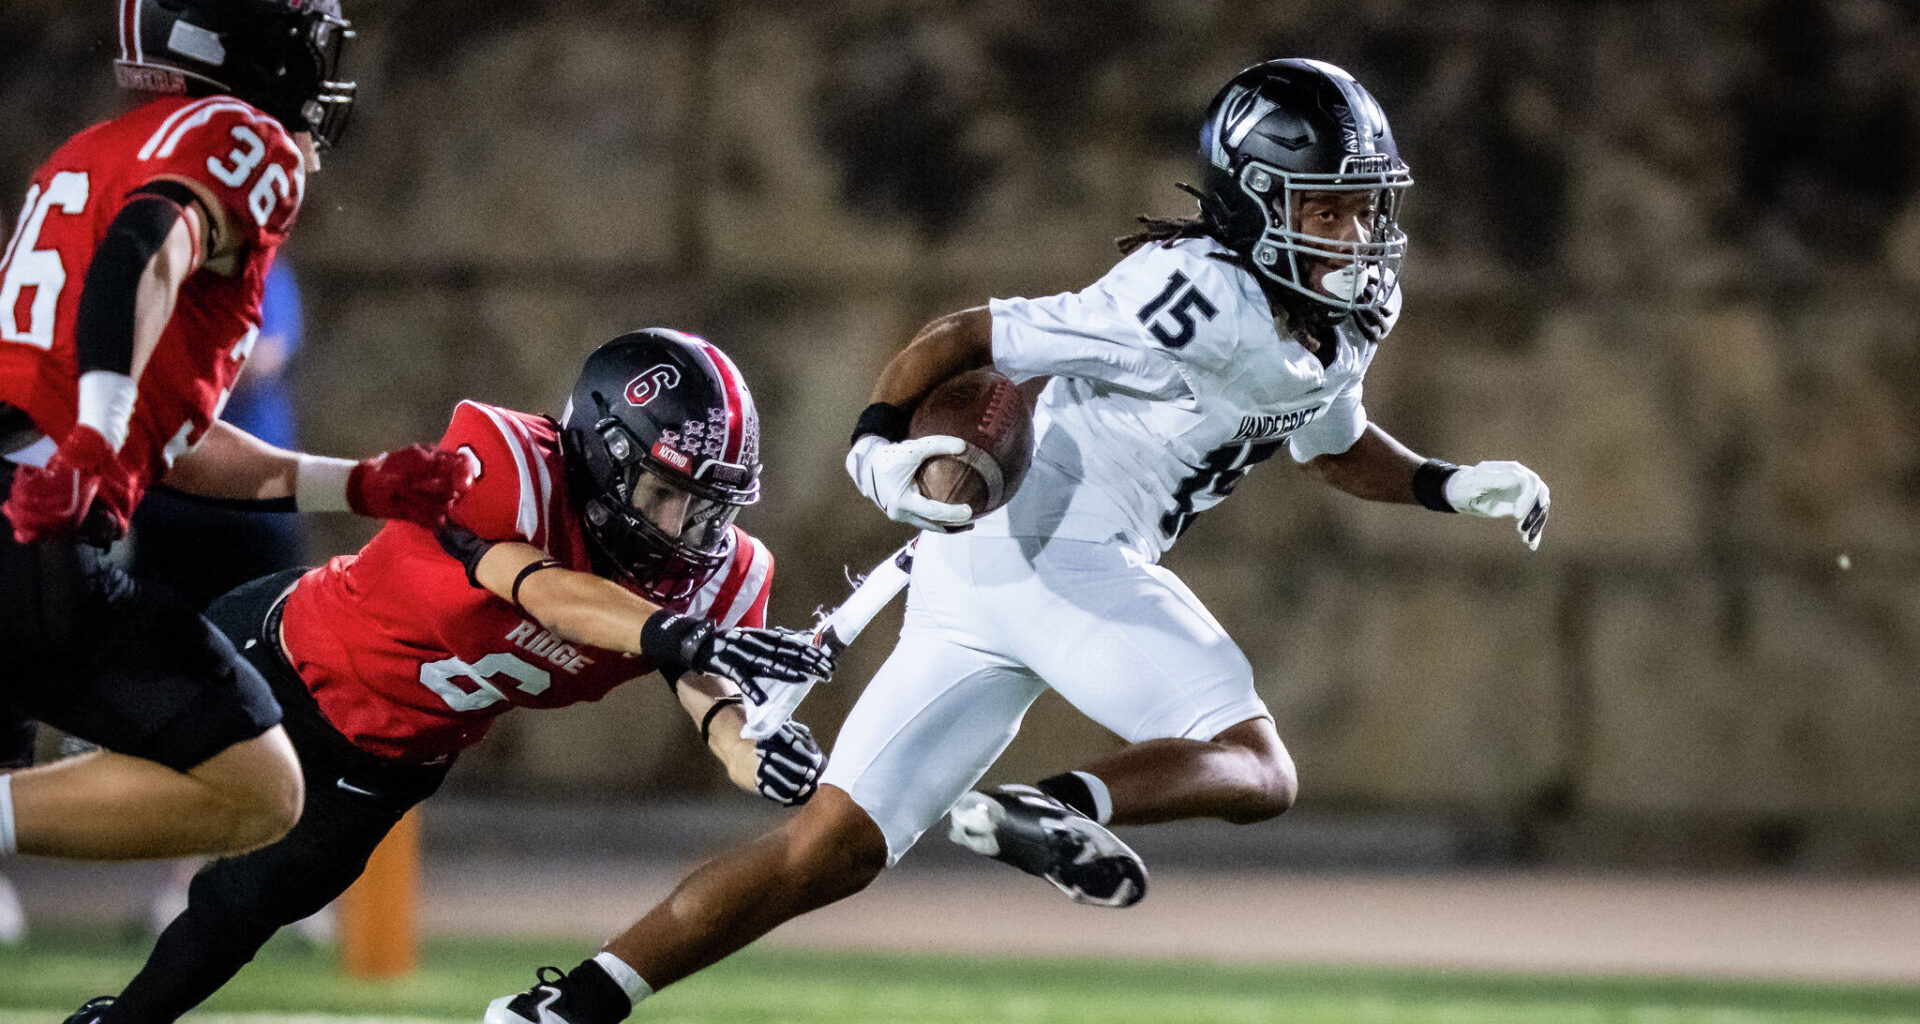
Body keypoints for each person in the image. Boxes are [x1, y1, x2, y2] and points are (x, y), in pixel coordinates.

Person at [486, 58, 1552, 1024]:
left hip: (987, 572)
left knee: (825, 851)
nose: (1358, 236)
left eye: (1364, 210)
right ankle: (1053, 806)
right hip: (1058, 547)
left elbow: (1332, 444)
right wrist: (875, 442)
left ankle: (563, 1008)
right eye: (1329, 209)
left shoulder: (1333, 312)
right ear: (1257, 203)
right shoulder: (1192, 297)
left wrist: (1451, 486)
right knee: (1257, 765)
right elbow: (971, 339)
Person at [61, 329, 834, 1024]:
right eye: (666, 494)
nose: (681, 529)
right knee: (77, 766)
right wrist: (684, 636)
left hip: (389, 759)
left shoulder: (721, 578)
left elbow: (712, 700)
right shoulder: (505, 459)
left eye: (705, 506)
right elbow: (548, 592)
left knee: (239, 915)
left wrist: (754, 750)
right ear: (603, 454)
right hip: (278, 657)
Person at [0, 0, 474, 864]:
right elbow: (146, 246)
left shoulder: (84, 156)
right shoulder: (235, 133)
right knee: (259, 787)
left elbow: (172, 444)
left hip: (24, 497)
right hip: (34, 529)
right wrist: (95, 438)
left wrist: (356, 483)